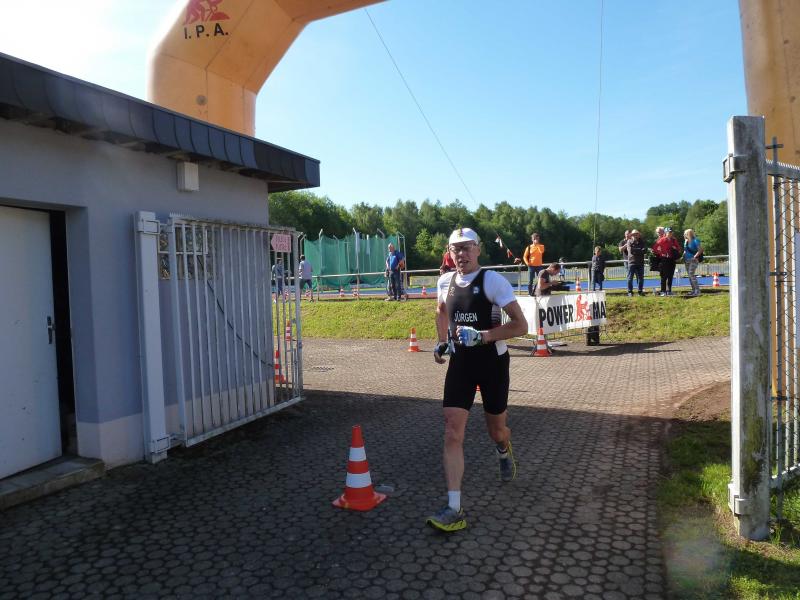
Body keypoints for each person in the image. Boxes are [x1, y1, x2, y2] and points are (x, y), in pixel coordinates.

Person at [428, 228, 528, 532]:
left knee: (496, 431)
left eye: (467, 247)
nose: (461, 254)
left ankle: (503, 449)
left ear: (478, 249)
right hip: (461, 363)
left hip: (492, 363)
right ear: (449, 253)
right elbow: (441, 311)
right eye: (455, 249)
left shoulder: (492, 281)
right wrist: (442, 341)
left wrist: (483, 336)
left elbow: (520, 325)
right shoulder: (445, 281)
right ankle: (454, 509)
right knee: (452, 430)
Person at [652, 227, 682, 296]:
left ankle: (669, 291)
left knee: (670, 276)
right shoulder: (662, 239)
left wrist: (675, 248)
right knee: (664, 276)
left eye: (671, 232)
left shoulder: (674, 240)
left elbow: (679, 248)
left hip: (672, 259)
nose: (670, 233)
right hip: (664, 259)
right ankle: (663, 291)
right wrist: (661, 253)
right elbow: (654, 249)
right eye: (668, 232)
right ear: (665, 233)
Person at [683, 229, 704, 296]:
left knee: (691, 274)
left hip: (694, 260)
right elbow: (685, 251)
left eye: (685, 234)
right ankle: (693, 290)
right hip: (686, 260)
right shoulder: (686, 241)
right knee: (689, 276)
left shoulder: (696, 240)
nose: (684, 235)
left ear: (689, 234)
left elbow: (700, 250)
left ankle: (697, 291)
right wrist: (682, 257)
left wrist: (694, 257)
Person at [626, 230, 646, 296]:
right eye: (634, 234)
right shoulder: (629, 241)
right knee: (630, 278)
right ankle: (630, 292)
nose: (635, 235)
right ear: (632, 235)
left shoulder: (642, 242)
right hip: (632, 262)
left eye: (636, 234)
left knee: (641, 278)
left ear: (639, 235)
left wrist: (636, 250)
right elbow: (631, 251)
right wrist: (640, 250)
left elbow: (644, 251)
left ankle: (640, 291)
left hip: (640, 263)